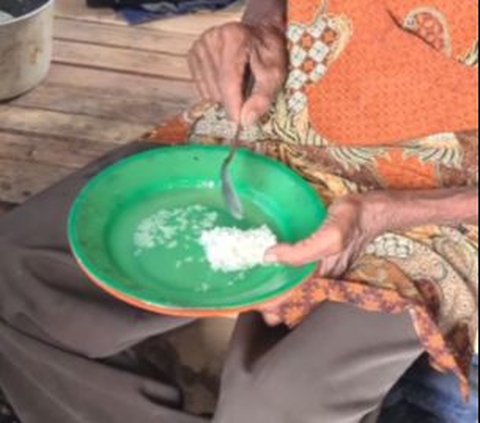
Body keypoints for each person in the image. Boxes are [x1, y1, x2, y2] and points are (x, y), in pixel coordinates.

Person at [0, 0, 477, 422]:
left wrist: (380, 213)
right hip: (293, 110)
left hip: (439, 199)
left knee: (279, 402)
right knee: (18, 270)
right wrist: (262, 24)